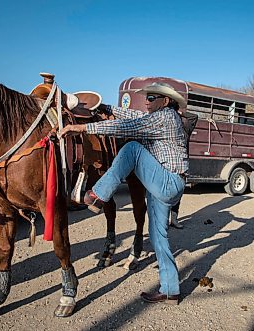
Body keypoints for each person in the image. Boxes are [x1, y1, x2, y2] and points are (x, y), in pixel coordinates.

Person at [59, 82, 188, 304]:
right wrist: (106, 108)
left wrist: (83, 128)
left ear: (165, 101)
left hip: (167, 181)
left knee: (132, 149)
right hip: (163, 182)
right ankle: (170, 290)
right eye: (146, 98)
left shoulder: (165, 116)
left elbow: (127, 127)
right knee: (158, 237)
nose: (146, 102)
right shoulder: (158, 116)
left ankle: (98, 194)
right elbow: (132, 115)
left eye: (151, 98)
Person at [169, 110, 198, 229]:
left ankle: (174, 220)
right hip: (169, 167)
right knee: (166, 195)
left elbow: (194, 117)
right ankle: (163, 221)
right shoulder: (168, 132)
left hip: (181, 169)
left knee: (177, 195)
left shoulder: (186, 131)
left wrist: (179, 112)